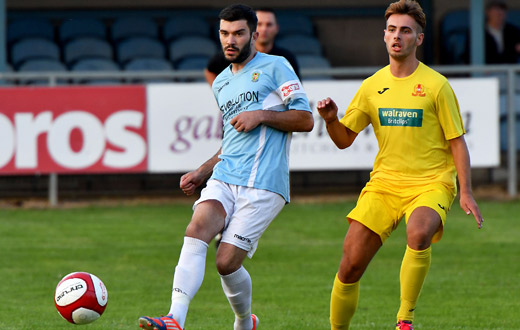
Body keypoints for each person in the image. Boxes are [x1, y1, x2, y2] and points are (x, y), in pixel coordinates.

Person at [138, 4, 313, 330]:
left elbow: (305, 120)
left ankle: (245, 322)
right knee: (197, 229)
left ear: (254, 33)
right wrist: (203, 171)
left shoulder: (277, 67)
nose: (230, 40)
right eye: (224, 33)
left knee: (226, 263)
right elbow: (231, 143)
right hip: (225, 176)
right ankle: (175, 318)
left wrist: (261, 115)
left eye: (238, 33)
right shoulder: (220, 83)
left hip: (264, 183)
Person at [316, 1, 484, 329]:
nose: (397, 36)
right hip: (384, 184)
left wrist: (466, 191)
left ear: (418, 39)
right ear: (384, 36)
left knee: (419, 232)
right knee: (349, 266)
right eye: (392, 30)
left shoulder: (436, 85)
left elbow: (457, 141)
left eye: (405, 31)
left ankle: (404, 320)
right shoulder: (371, 86)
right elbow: (344, 139)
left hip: (431, 181)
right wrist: (331, 120)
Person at [204, 7, 301, 85]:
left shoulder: (285, 58)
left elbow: (296, 88)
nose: (264, 29)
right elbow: (210, 71)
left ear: (277, 28)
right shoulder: (234, 53)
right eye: (259, 24)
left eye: (269, 24)